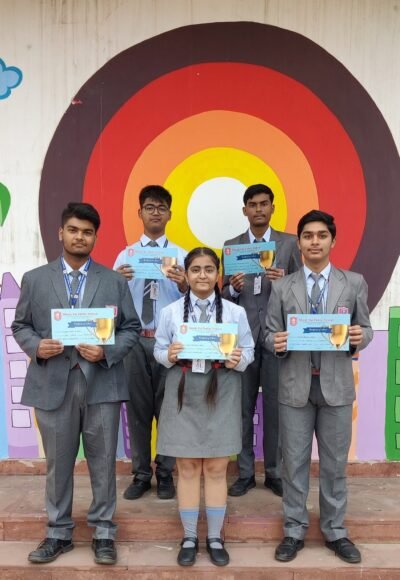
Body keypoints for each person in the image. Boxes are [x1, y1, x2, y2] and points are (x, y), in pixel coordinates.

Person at [12, 202, 141, 565]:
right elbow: (20, 325)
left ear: (95, 237)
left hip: (102, 383)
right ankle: (58, 532)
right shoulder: (35, 279)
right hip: (52, 383)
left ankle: (104, 532)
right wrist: (37, 346)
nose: (79, 237)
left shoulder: (114, 281)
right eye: (73, 230)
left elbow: (130, 328)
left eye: (87, 232)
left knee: (103, 462)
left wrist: (106, 351)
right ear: (61, 233)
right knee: (58, 463)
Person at [265, 209, 373, 564]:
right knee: (293, 464)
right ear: (299, 242)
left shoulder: (353, 283)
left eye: (321, 235)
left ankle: (335, 530)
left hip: (336, 388)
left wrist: (358, 337)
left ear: (332, 241)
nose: (314, 242)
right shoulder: (282, 286)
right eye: (308, 236)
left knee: (334, 465)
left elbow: (365, 328)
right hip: (295, 386)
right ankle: (294, 530)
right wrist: (276, 342)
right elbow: (268, 333)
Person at [154, 248, 254, 567]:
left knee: (215, 467)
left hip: (222, 389)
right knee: (186, 467)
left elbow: (249, 350)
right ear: (186, 274)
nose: (202, 275)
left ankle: (213, 537)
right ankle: (188, 537)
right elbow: (158, 350)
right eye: (195, 269)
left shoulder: (235, 313)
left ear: (217, 274)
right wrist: (168, 355)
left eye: (209, 269)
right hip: (182, 390)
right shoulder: (170, 312)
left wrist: (238, 359)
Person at [222, 184, 302, 498]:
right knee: (241, 408)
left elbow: (302, 289)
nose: (258, 209)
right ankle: (244, 474)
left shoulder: (289, 244)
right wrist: (232, 287)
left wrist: (287, 282)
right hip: (242, 339)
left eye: (264, 204)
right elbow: (222, 294)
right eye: (253, 204)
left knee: (275, 409)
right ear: (245, 210)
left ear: (272, 207)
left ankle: (274, 473)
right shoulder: (231, 246)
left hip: (276, 338)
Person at [114, 185, 187, 500]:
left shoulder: (181, 256)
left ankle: (166, 473)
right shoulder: (125, 256)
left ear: (170, 214)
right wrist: (117, 283)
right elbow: (111, 302)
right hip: (134, 342)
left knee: (169, 411)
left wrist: (185, 285)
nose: (155, 212)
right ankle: (142, 474)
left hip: (169, 343)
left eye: (161, 207)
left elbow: (197, 301)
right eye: (149, 207)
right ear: (139, 213)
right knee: (138, 411)